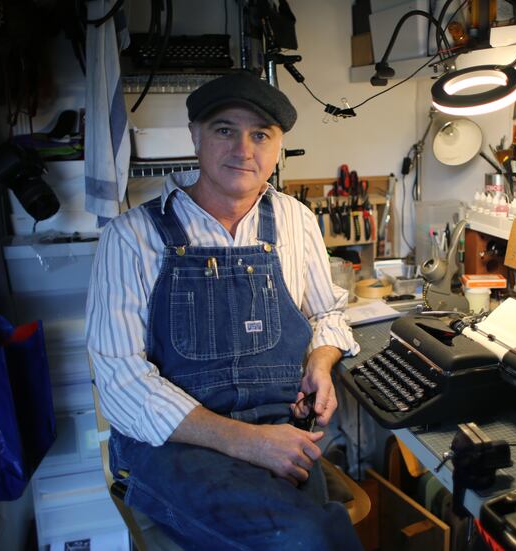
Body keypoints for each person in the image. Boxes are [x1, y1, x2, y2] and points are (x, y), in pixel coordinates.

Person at [86, 71, 363, 550]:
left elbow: (328, 315)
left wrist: (321, 362)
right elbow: (120, 382)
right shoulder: (130, 238)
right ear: (195, 136)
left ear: (278, 147)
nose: (243, 150)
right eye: (224, 130)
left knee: (314, 534)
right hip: (175, 445)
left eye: (261, 135)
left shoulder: (295, 220)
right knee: (306, 537)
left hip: (279, 430)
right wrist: (246, 441)